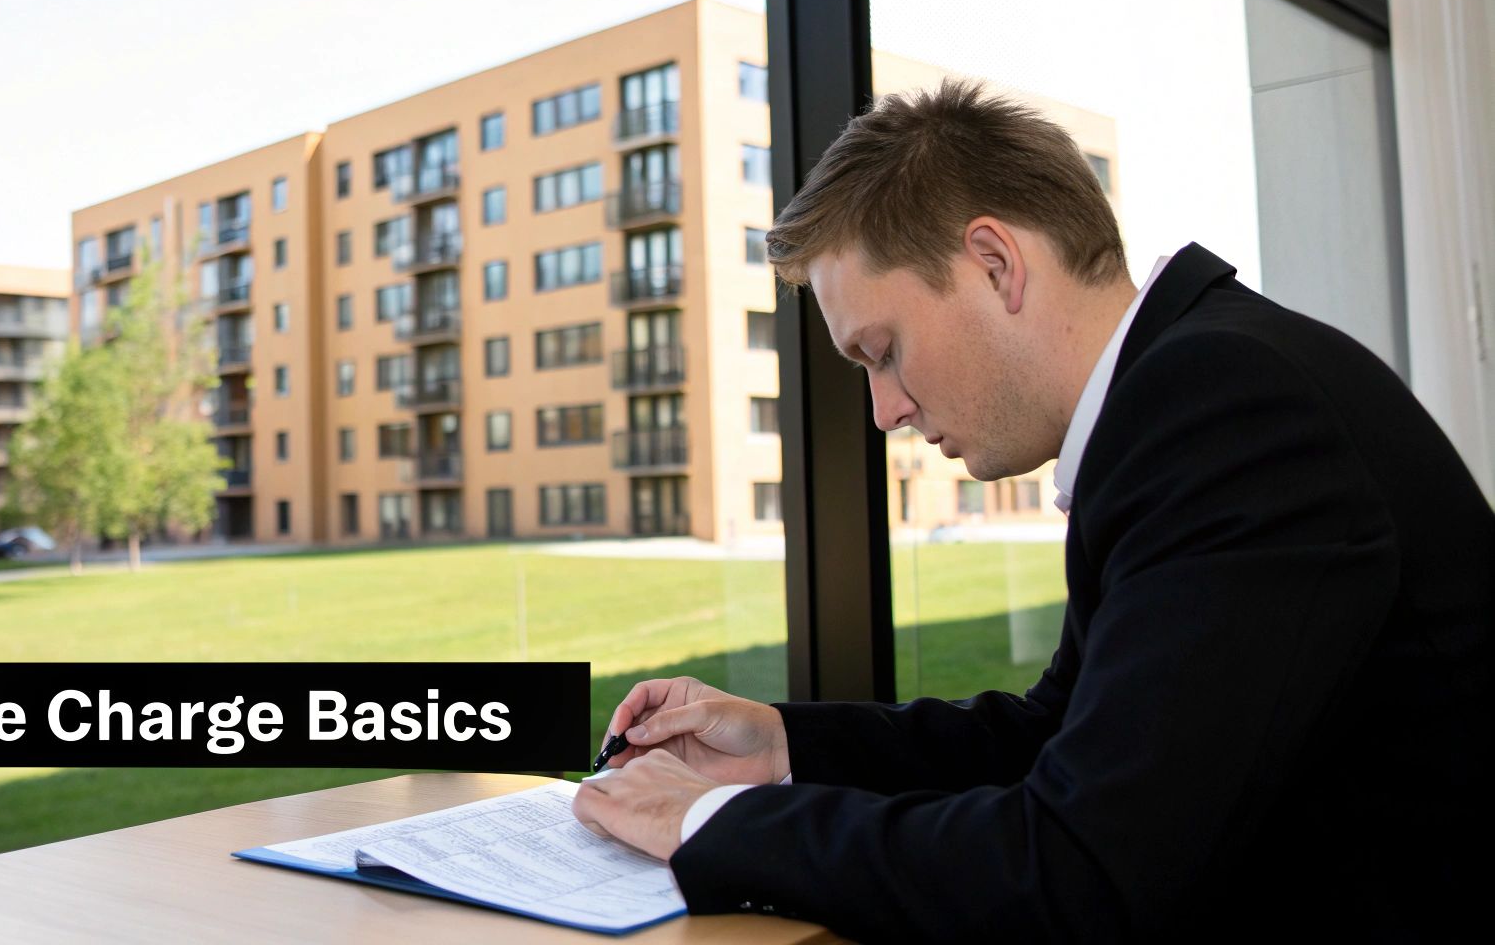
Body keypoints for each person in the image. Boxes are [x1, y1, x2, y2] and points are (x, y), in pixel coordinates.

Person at [571, 79, 1494, 941]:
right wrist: (781, 745)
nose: (885, 412)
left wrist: (708, 820)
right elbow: (1054, 731)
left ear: (994, 263)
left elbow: (1083, 869)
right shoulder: (1188, 388)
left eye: (883, 353)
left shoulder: (1225, 408)